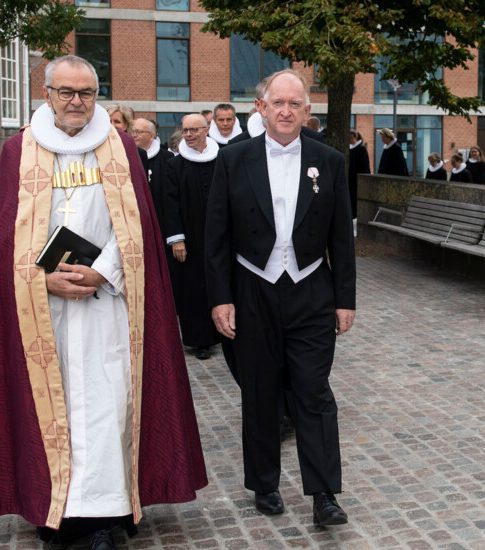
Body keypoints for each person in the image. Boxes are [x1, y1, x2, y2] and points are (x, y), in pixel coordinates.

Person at [0, 55, 207, 550]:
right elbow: (3, 236)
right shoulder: (17, 152)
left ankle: (108, 514)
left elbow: (137, 231)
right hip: (43, 317)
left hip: (107, 308)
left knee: (108, 406)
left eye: (86, 93)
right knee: (56, 409)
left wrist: (103, 271)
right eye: (66, 92)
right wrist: (41, 278)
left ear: (97, 96)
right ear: (46, 94)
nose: (76, 102)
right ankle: (59, 512)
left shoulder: (120, 152)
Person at [205, 69, 355, 527]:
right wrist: (220, 297)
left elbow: (342, 238)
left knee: (314, 393)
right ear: (262, 108)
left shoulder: (329, 161)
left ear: (307, 111)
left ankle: (324, 493)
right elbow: (216, 236)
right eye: (278, 103)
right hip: (253, 290)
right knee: (260, 392)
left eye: (296, 104)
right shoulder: (234, 160)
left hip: (311, 289)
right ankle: (265, 483)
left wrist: (345, 299)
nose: (287, 111)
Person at [157, 113, 223, 362]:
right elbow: (169, 203)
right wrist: (177, 239)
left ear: (207, 130)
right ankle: (200, 340)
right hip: (188, 239)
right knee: (192, 290)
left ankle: (223, 333)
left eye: (194, 130)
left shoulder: (222, 159)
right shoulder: (174, 165)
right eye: (185, 131)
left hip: (218, 236)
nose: (188, 135)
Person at [348, 130, 370, 218]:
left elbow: (364, 166)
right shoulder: (350, 149)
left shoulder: (361, 149)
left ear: (356, 138)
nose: (349, 140)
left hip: (357, 180)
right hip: (351, 179)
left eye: (351, 138)